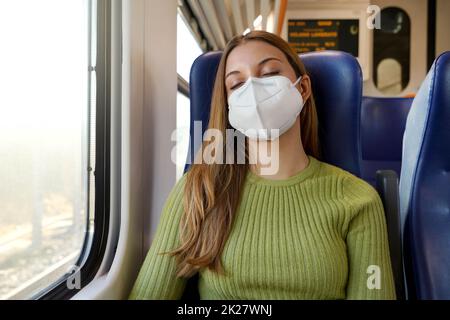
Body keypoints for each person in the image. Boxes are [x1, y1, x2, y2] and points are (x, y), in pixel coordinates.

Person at [129, 31, 396, 300]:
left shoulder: (359, 200)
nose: (253, 91)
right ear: (230, 106)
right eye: (236, 85)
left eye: (269, 74)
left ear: (302, 89)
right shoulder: (200, 189)